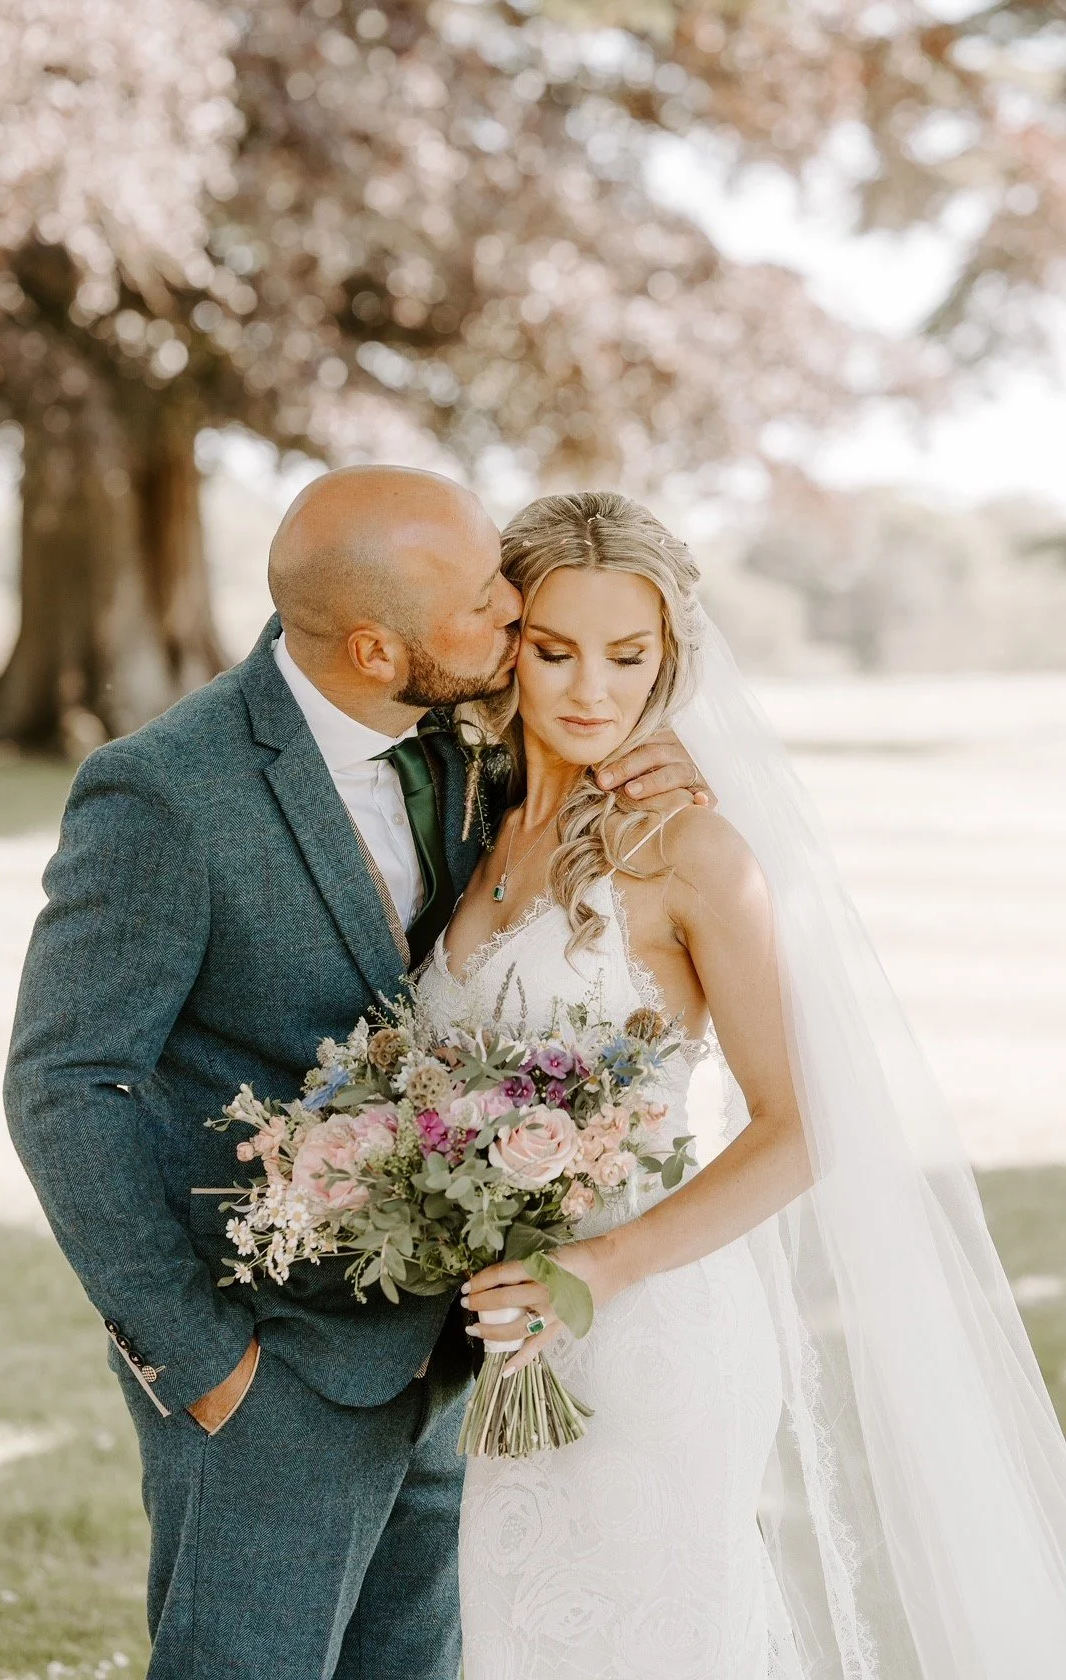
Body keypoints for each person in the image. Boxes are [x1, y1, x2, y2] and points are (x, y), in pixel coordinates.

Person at [2, 466, 709, 1680]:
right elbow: (65, 1082)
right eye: (486, 600)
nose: (511, 609)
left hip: (446, 1353)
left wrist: (652, 762)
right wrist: (199, 1359)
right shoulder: (164, 793)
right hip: (264, 1364)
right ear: (377, 648)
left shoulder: (467, 737)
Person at [420, 490, 1066, 1680]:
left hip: (653, 1326)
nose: (590, 692)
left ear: (672, 658)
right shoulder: (472, 828)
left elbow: (801, 1126)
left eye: (628, 656)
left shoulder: (692, 850)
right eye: (555, 651)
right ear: (508, 645)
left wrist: (597, 1269)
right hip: (509, 1331)